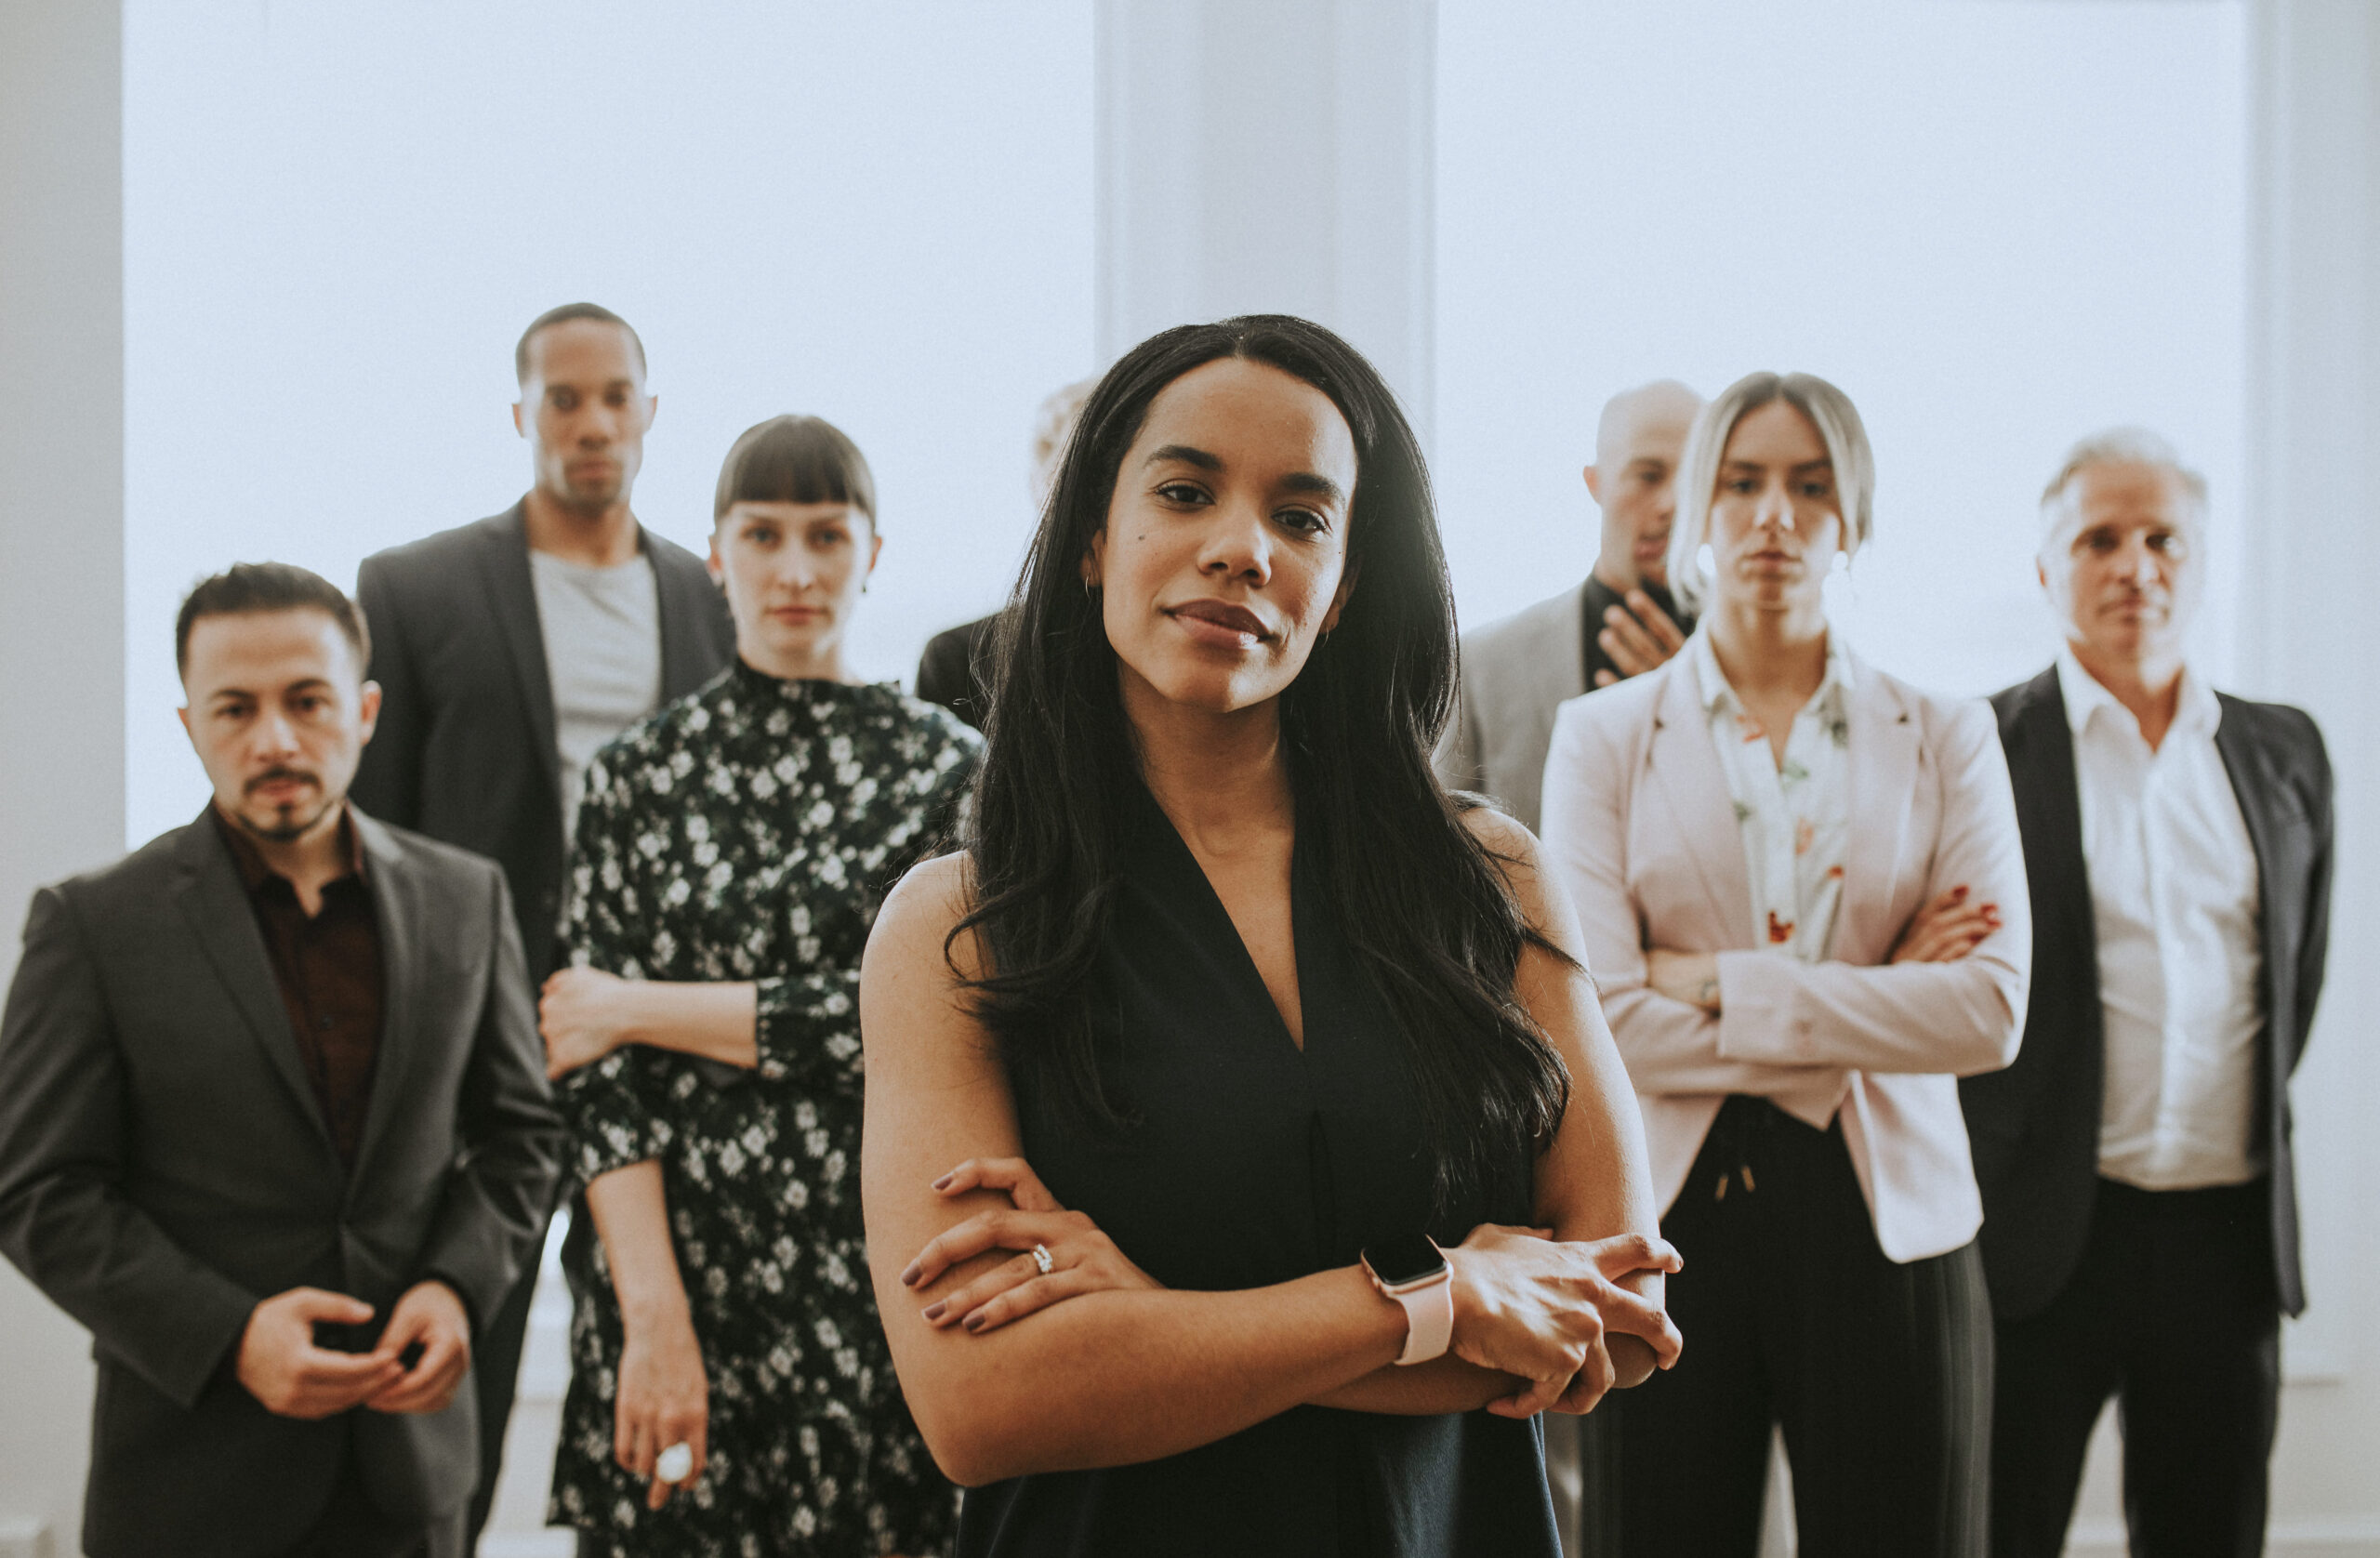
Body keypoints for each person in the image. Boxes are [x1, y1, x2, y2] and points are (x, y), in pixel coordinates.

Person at [859, 315, 1686, 1558]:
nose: (1241, 548)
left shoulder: (1493, 883)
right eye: (1184, 492)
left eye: (1301, 517)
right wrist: (1440, 1297)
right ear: (1091, 537)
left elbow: (1615, 1311)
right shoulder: (957, 928)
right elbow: (983, 1404)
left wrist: (1151, 1319)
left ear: (1342, 585)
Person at [1540, 372, 2030, 1557]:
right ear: (1700, 505)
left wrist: (1713, 979)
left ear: (1851, 513)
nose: (1774, 514)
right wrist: (1885, 993)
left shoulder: (1948, 733)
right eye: (1742, 480)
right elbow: (1600, 1020)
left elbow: (1987, 1009)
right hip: (1663, 1226)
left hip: (1893, 1222)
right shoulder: (1600, 735)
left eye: (1810, 486)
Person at [0, 563, 562, 1558]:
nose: (275, 740)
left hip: (411, 1477)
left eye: (307, 701)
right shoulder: (93, 924)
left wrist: (456, 1285)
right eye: (235, 708)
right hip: (190, 1480)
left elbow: (523, 1136)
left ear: (366, 711)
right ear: (189, 725)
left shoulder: (465, 898)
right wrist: (229, 1335)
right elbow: (35, 1186)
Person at [542, 415, 978, 1556]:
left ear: (872, 552)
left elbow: (926, 1025)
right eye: (763, 533)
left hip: (879, 1276)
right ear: (713, 553)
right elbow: (597, 1078)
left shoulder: (951, 771)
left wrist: (639, 1004)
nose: (794, 569)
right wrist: (653, 1319)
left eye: (826, 535)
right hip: (675, 1276)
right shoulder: (636, 777)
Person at [351, 300, 736, 1536]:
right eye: (564, 399)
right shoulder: (414, 587)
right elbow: (376, 834)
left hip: (659, 1032)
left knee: (667, 1361)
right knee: (454, 1365)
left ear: (650, 411)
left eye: (615, 396)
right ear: (521, 414)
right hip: (480, 1035)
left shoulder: (709, 595)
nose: (592, 422)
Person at [1964, 431, 2332, 1558]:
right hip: (2039, 1236)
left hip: (2227, 1240)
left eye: (2164, 538)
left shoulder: (2286, 750)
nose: (2135, 565)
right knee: (1998, 1531)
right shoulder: (1974, 746)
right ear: (2046, 567)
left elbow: (2296, 976)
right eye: (2100, 539)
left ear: (2201, 560)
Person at [1436, 379, 1701, 833]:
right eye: (1648, 475)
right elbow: (1437, 847)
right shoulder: (1482, 666)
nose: (1673, 504)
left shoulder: (1769, 661)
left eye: (1696, 479)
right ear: (1595, 483)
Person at [913, 377, 1096, 730]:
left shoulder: (1173, 652)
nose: (1091, 501)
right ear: (1038, 486)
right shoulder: (961, 662)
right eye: (1073, 478)